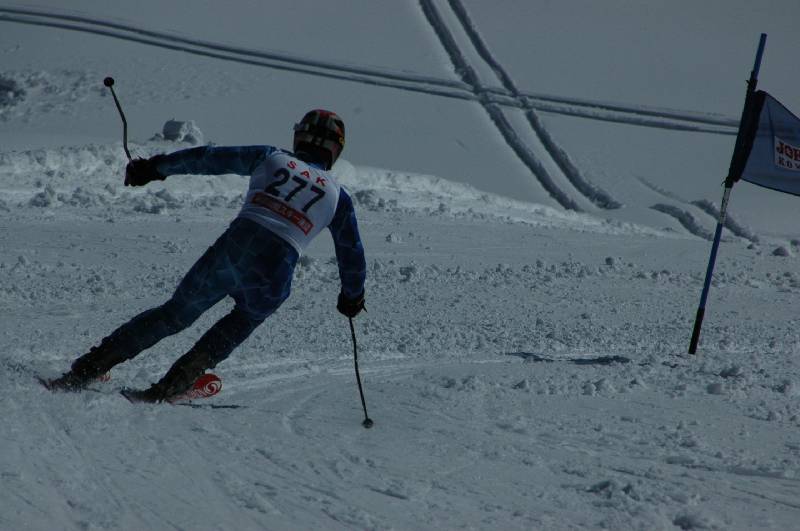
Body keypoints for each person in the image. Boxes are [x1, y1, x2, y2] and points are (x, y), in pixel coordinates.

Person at [44, 109, 366, 402]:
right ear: (336, 150)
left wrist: (154, 168)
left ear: (299, 137)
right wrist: (352, 297)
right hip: (276, 273)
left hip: (234, 251)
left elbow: (208, 158)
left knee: (174, 315)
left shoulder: (271, 157)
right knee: (237, 325)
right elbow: (352, 254)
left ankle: (86, 371)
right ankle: (169, 389)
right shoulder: (339, 198)